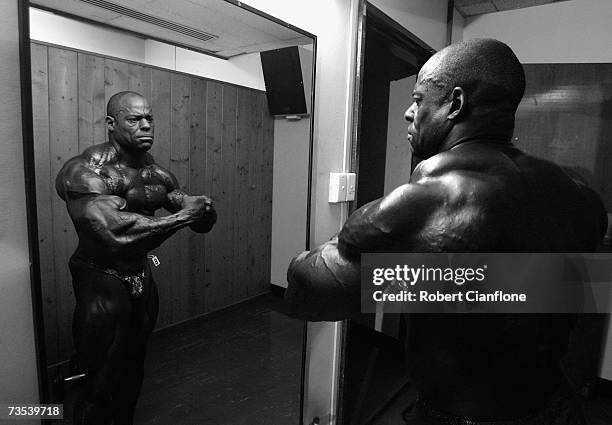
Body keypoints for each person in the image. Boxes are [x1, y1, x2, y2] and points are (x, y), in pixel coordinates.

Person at [285, 39, 606, 424]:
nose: (409, 112)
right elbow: (547, 294)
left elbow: (306, 296)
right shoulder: (580, 196)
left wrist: (404, 275)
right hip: (557, 408)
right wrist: (441, 281)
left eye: (419, 99)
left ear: (455, 104)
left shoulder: (426, 202)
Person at [56, 91, 217, 425]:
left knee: (133, 364)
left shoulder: (156, 175)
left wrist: (203, 211)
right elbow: (111, 233)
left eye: (150, 119)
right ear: (112, 124)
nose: (146, 126)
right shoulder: (85, 170)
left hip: (141, 274)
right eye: (134, 119)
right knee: (98, 377)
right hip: (101, 278)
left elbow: (198, 219)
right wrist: (182, 217)